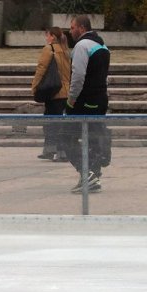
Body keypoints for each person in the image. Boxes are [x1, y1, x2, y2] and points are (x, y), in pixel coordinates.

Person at [63, 15, 111, 194]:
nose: (70, 30)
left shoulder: (82, 46)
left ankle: (87, 174)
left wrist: (71, 100)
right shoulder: (102, 46)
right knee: (92, 137)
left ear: (82, 28)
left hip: (84, 101)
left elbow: (78, 77)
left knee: (65, 135)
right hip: (99, 100)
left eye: (73, 27)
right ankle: (93, 176)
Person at [31, 27, 71, 162]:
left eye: (47, 35)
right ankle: (59, 151)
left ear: (53, 36)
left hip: (54, 91)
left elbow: (41, 68)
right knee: (60, 123)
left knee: (50, 122)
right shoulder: (65, 50)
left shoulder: (49, 49)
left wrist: (35, 86)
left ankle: (52, 150)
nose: (46, 38)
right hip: (66, 90)